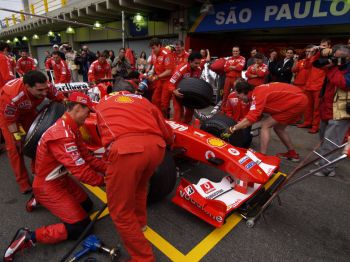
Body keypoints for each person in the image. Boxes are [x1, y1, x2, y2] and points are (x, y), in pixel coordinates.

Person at [3, 92, 106, 261]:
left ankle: (38, 199)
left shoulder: (71, 127)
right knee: (81, 227)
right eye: (88, 112)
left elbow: (87, 158)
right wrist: (106, 181)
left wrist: (109, 170)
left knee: (87, 206)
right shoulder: (62, 134)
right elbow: (81, 171)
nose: (89, 115)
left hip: (60, 179)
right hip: (48, 185)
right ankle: (29, 237)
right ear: (78, 108)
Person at [94, 87, 174, 262]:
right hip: (156, 148)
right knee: (140, 187)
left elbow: (101, 135)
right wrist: (170, 142)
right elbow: (165, 128)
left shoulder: (101, 103)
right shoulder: (142, 100)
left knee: (120, 211)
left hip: (127, 151)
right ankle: (141, 223)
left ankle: (143, 258)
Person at [0, 71, 64, 193]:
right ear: (28, 87)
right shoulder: (11, 96)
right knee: (15, 148)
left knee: (38, 140)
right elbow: (11, 122)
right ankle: (22, 181)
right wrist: (18, 137)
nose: (45, 93)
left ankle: (38, 172)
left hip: (28, 111)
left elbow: (60, 100)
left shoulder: (47, 86)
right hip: (9, 118)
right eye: (40, 91)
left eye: (45, 89)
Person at [225, 81, 308, 160]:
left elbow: (251, 119)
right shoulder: (257, 91)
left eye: (239, 96)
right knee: (279, 128)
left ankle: (261, 155)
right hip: (297, 100)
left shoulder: (257, 94)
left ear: (243, 92)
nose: (240, 99)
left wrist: (233, 128)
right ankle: (292, 153)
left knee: (265, 125)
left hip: (296, 101)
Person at [312, 44, 350, 177]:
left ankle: (327, 169)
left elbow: (344, 84)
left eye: (339, 58)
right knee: (324, 138)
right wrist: (321, 52)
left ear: (347, 57)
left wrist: (333, 67)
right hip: (326, 107)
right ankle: (323, 161)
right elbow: (315, 64)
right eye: (334, 56)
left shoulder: (342, 68)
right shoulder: (335, 64)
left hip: (341, 110)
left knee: (332, 141)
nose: (335, 60)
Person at [297, 43, 328, 133]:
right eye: (321, 45)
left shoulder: (325, 58)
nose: (322, 47)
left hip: (318, 86)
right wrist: (310, 54)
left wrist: (318, 49)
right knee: (308, 107)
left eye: (324, 45)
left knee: (317, 108)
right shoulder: (313, 57)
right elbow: (306, 66)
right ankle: (307, 122)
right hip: (309, 86)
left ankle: (315, 126)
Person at [169, 52, 202, 123]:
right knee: (178, 112)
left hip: (189, 93)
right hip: (178, 92)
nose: (198, 65)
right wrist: (174, 91)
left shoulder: (198, 69)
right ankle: (175, 131)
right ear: (190, 61)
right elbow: (171, 83)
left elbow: (197, 83)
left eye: (199, 63)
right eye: (196, 63)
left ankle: (185, 127)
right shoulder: (181, 69)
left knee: (190, 111)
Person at [148, 38, 175, 117]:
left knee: (164, 103)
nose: (153, 50)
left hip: (167, 80)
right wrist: (151, 74)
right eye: (151, 48)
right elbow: (155, 66)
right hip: (159, 79)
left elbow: (169, 71)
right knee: (154, 99)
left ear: (159, 46)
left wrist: (157, 77)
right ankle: (158, 117)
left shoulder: (167, 54)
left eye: (154, 48)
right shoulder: (153, 54)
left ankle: (164, 119)